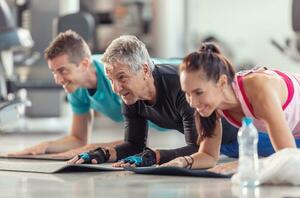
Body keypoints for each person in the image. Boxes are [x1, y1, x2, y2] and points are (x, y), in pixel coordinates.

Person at [68, 36, 239, 166]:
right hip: (219, 148)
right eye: (111, 80)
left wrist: (156, 156)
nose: (116, 88)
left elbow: (197, 148)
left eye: (121, 77)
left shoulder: (181, 86)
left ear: (144, 70)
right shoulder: (130, 96)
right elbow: (134, 144)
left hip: (246, 135)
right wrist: (103, 153)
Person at [8, 30, 178, 159]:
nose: (58, 80)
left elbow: (138, 143)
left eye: (63, 71)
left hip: (180, 80)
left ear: (84, 64)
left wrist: (88, 150)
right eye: (54, 72)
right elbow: (78, 138)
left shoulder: (117, 74)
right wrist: (44, 147)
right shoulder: (77, 88)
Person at [161, 42, 300, 170]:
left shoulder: (260, 91)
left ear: (222, 83)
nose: (192, 103)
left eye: (198, 92)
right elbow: (209, 155)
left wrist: (242, 164)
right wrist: (184, 161)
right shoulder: (213, 105)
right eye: (188, 94)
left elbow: (288, 158)